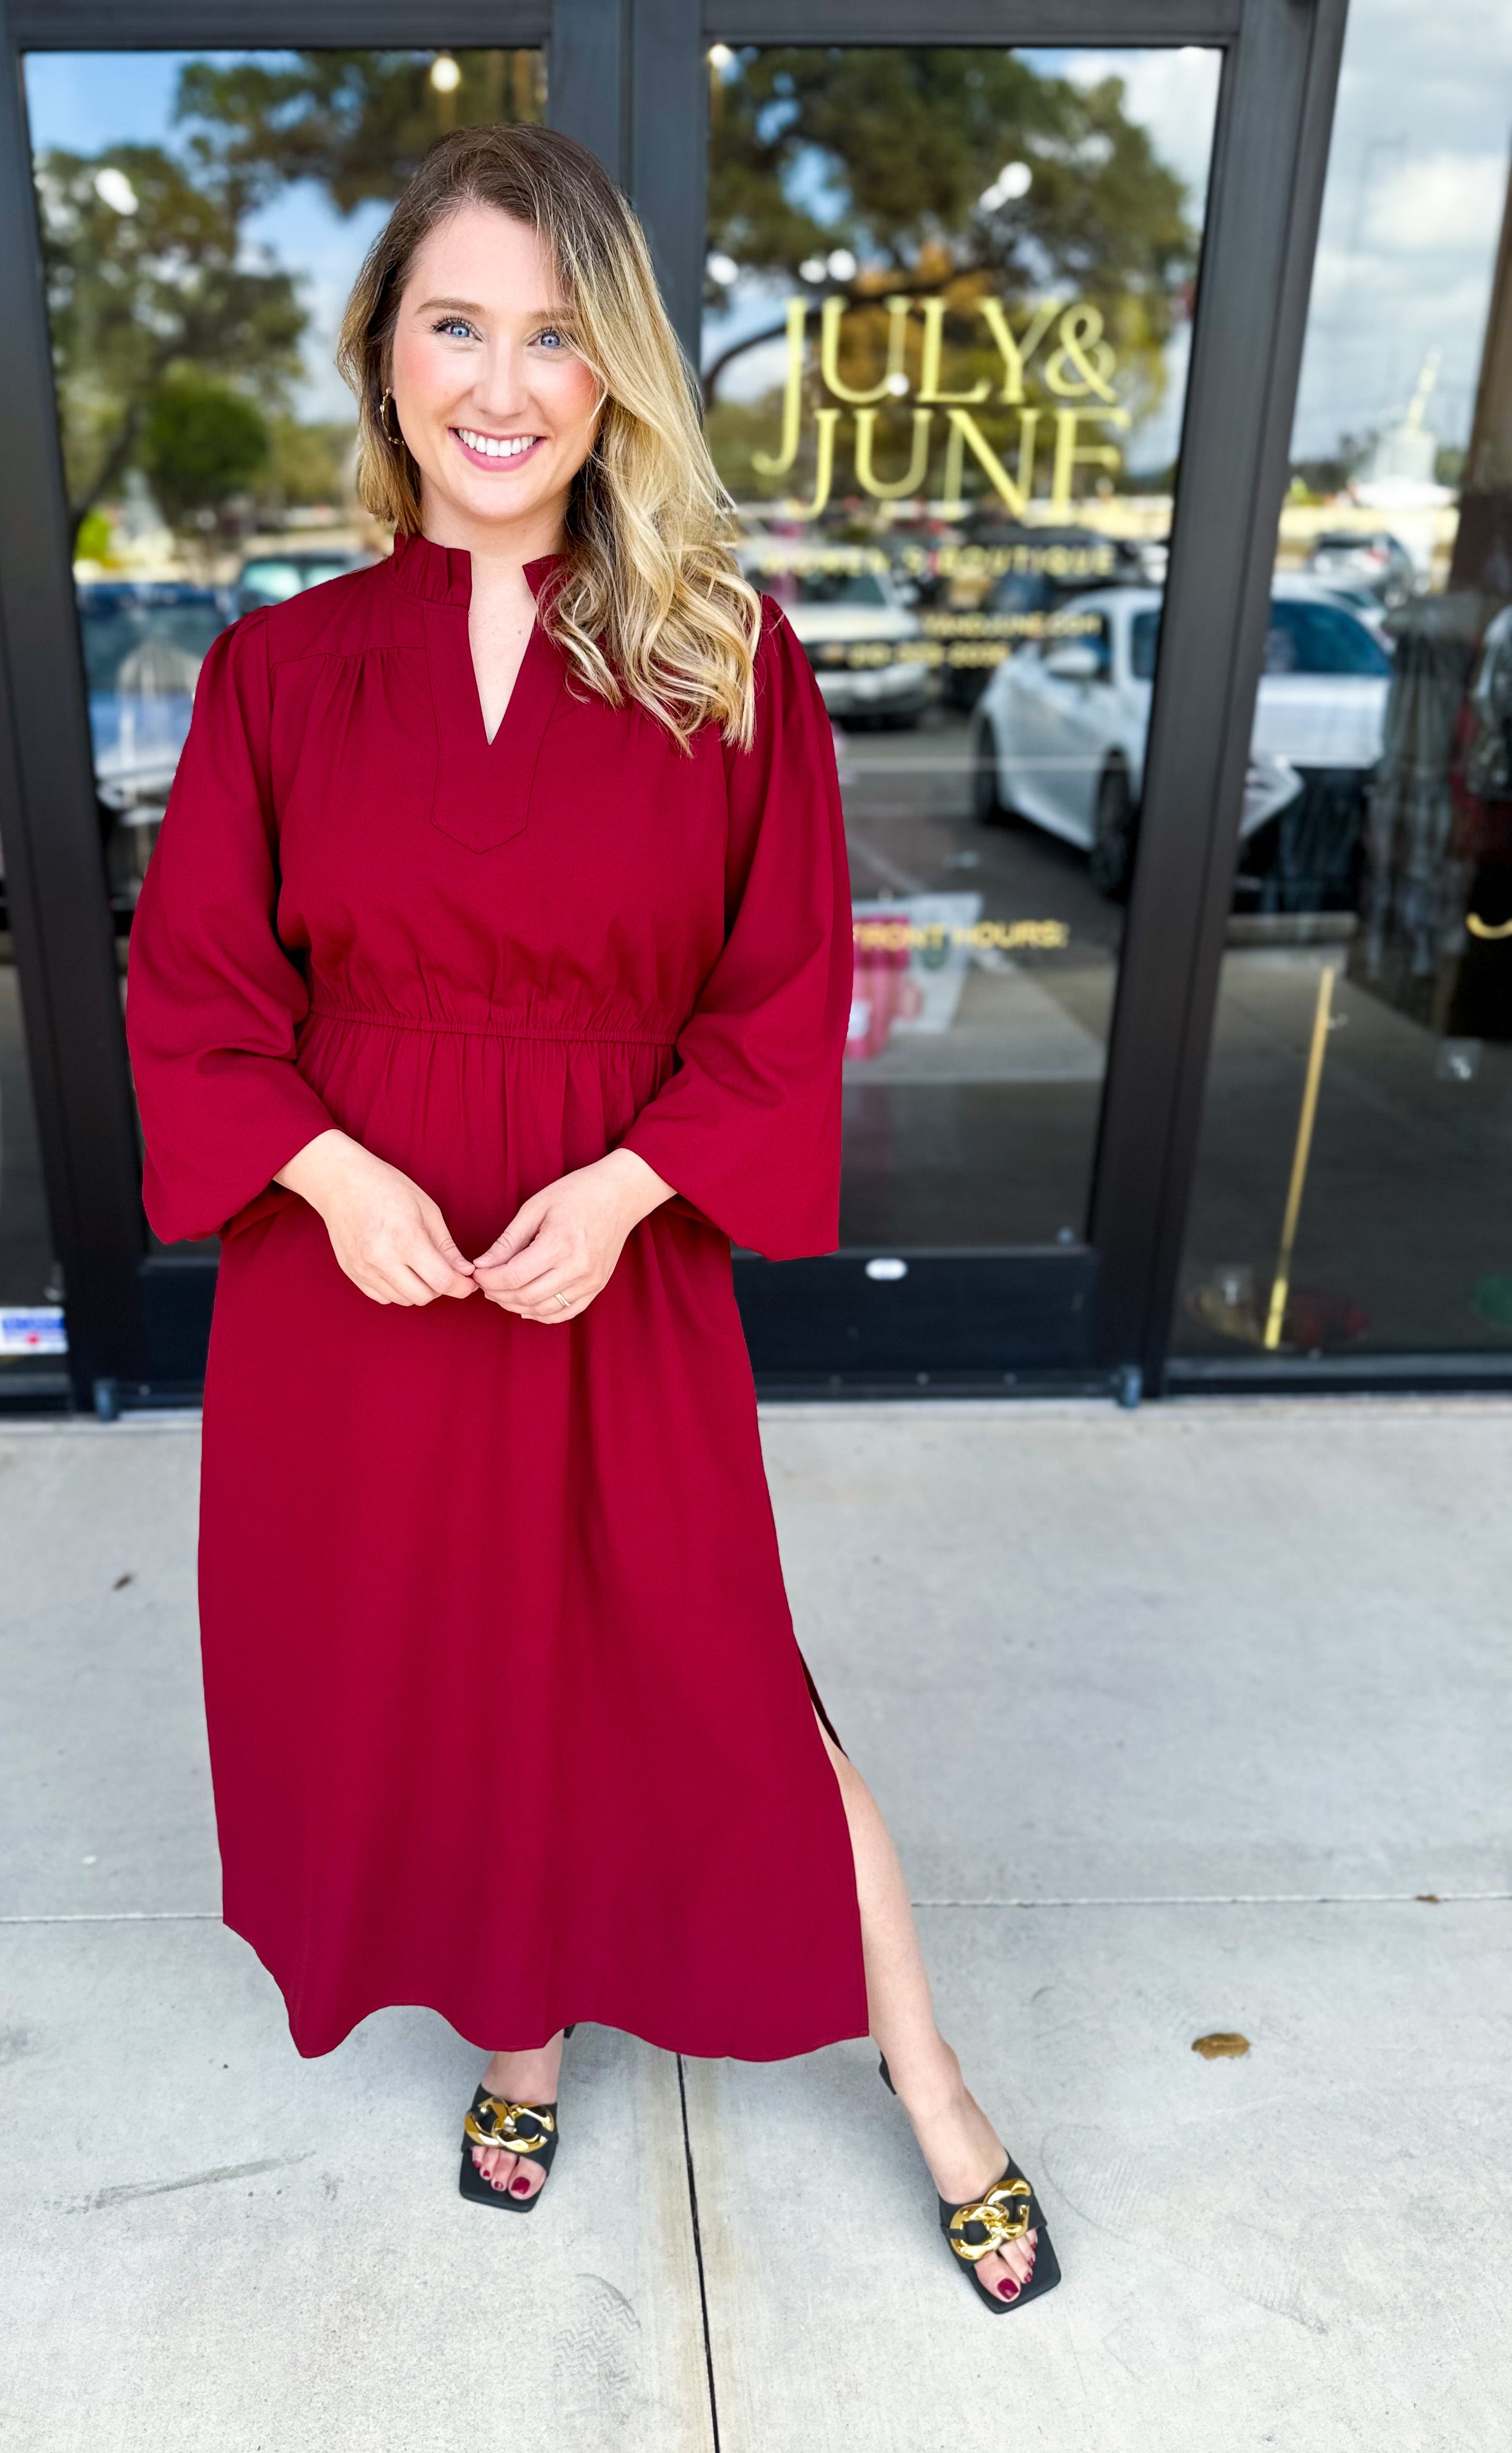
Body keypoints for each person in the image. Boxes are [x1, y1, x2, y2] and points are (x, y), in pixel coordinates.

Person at [126, 122, 1057, 2313]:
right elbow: (198, 992)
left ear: (618, 374)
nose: (503, 383)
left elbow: (779, 987)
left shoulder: (725, 658)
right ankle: (520, 2031)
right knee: (440, 1678)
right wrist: (336, 1172)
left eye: (558, 335)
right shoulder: (278, 673)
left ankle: (928, 2081)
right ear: (384, 356)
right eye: (457, 322)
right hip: (351, 1283)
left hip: (612, 1269)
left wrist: (633, 1184)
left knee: (720, 1673)